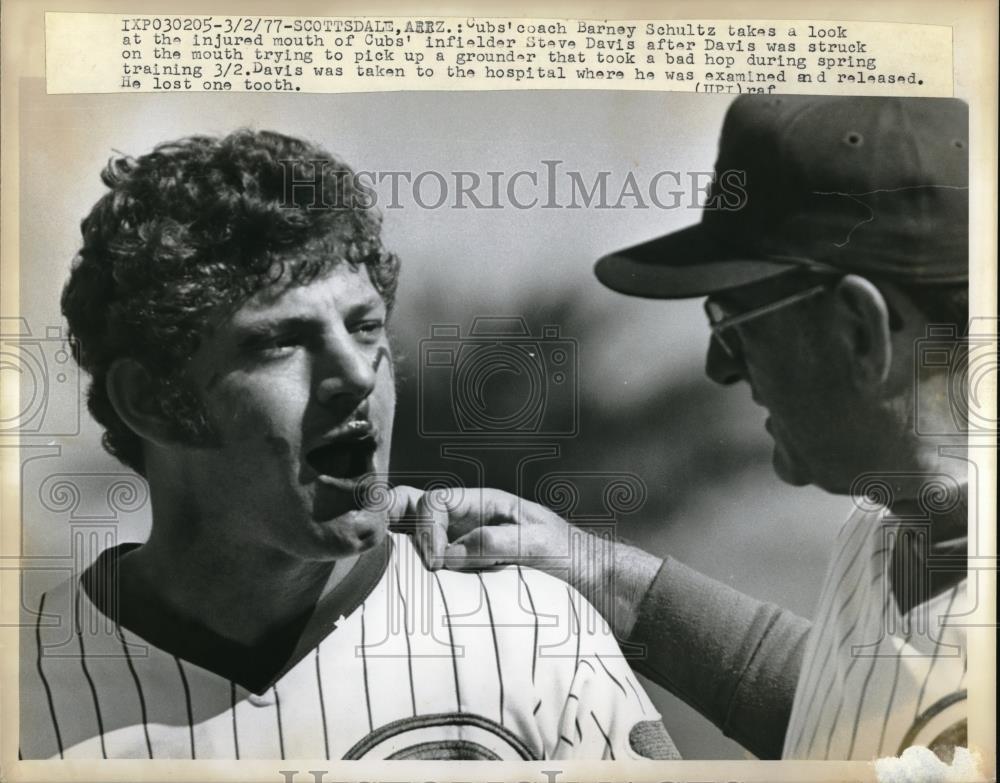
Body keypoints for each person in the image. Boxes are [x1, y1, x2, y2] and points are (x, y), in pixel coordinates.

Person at [20, 129, 677, 761]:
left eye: (365, 326)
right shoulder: (21, 691)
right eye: (280, 340)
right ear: (153, 401)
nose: (358, 373)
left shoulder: (531, 628)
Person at [409, 96, 972, 761]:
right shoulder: (892, 528)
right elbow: (861, 720)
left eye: (733, 322)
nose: (720, 366)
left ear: (859, 332)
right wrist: (581, 559)